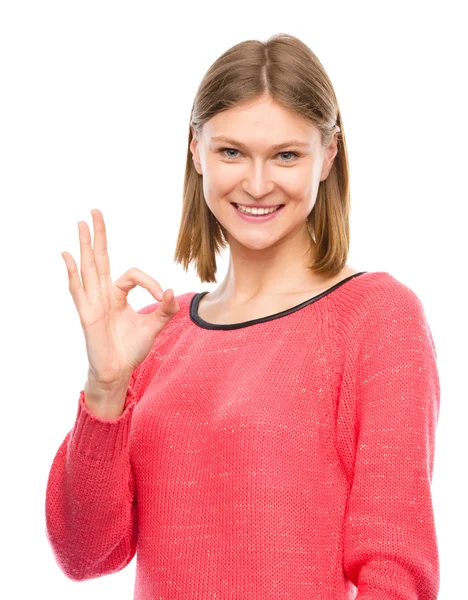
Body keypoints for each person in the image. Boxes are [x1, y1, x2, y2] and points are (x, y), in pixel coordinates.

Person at [45, 33, 441, 599]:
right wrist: (106, 388)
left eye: (286, 154)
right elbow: (85, 555)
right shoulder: (161, 331)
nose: (257, 185)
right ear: (195, 149)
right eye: (231, 152)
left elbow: (396, 573)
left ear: (328, 155)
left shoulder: (376, 318)